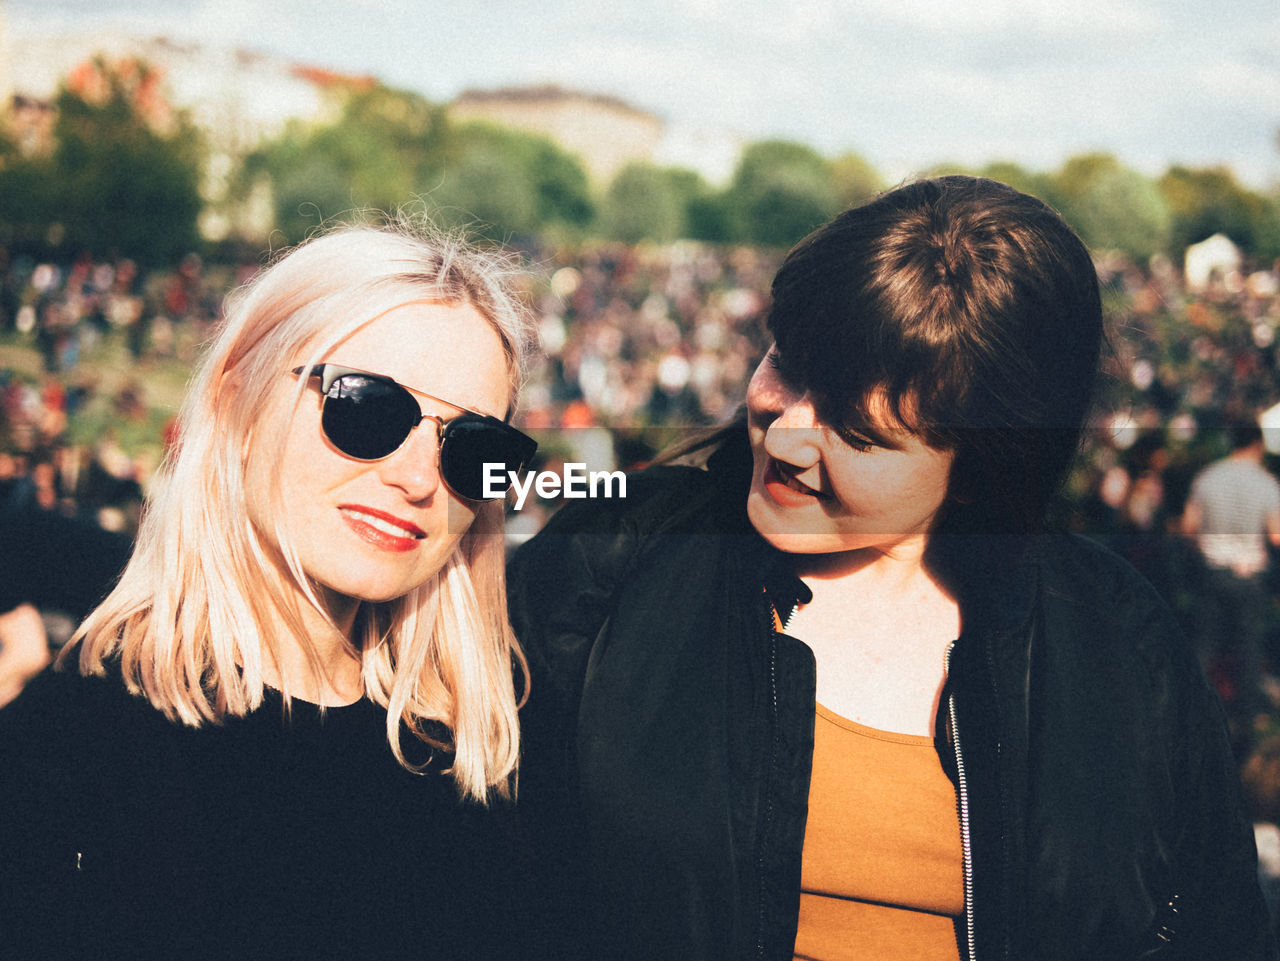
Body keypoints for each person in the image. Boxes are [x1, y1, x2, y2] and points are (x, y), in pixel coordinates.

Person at [509, 177, 1275, 960]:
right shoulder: (618, 551)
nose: (784, 438)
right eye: (787, 365)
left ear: (980, 465)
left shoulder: (1120, 640)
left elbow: (1214, 926)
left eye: (857, 432)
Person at [0, 222, 539, 960]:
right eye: (367, 409)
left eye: (475, 447)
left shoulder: (488, 756)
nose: (418, 480)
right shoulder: (66, 756)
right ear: (236, 406)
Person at [1182, 423, 1280, 730]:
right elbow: (1276, 535)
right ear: (1257, 447)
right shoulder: (1266, 483)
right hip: (1249, 576)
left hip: (1213, 572)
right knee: (1248, 651)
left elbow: (1188, 527)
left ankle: (1188, 717)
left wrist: (1205, 552)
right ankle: (1244, 726)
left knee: (1203, 646)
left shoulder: (1208, 478)